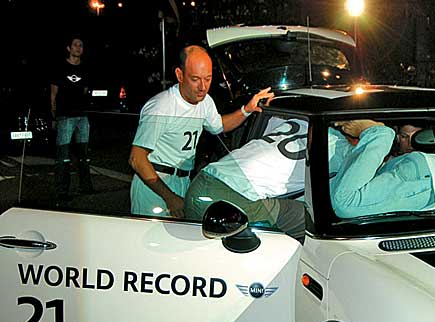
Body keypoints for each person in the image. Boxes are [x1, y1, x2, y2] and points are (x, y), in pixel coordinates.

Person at [129, 45, 274, 218]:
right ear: (179, 75)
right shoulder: (161, 107)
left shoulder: (205, 102)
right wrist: (170, 197)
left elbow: (219, 126)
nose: (202, 87)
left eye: (208, 79)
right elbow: (136, 158)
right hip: (154, 186)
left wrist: (247, 110)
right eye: (195, 79)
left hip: (183, 182)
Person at [184, 118, 308, 239]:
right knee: (312, 220)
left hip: (201, 182)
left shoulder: (293, 121)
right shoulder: (320, 147)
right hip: (237, 199)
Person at [50, 36, 94, 202]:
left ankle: (86, 186)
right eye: (75, 45)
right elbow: (53, 94)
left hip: (82, 115)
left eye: (81, 45)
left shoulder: (85, 68)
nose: (78, 48)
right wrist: (54, 115)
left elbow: (85, 90)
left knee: (84, 153)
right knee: (63, 155)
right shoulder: (60, 68)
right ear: (69, 48)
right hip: (65, 116)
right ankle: (62, 190)